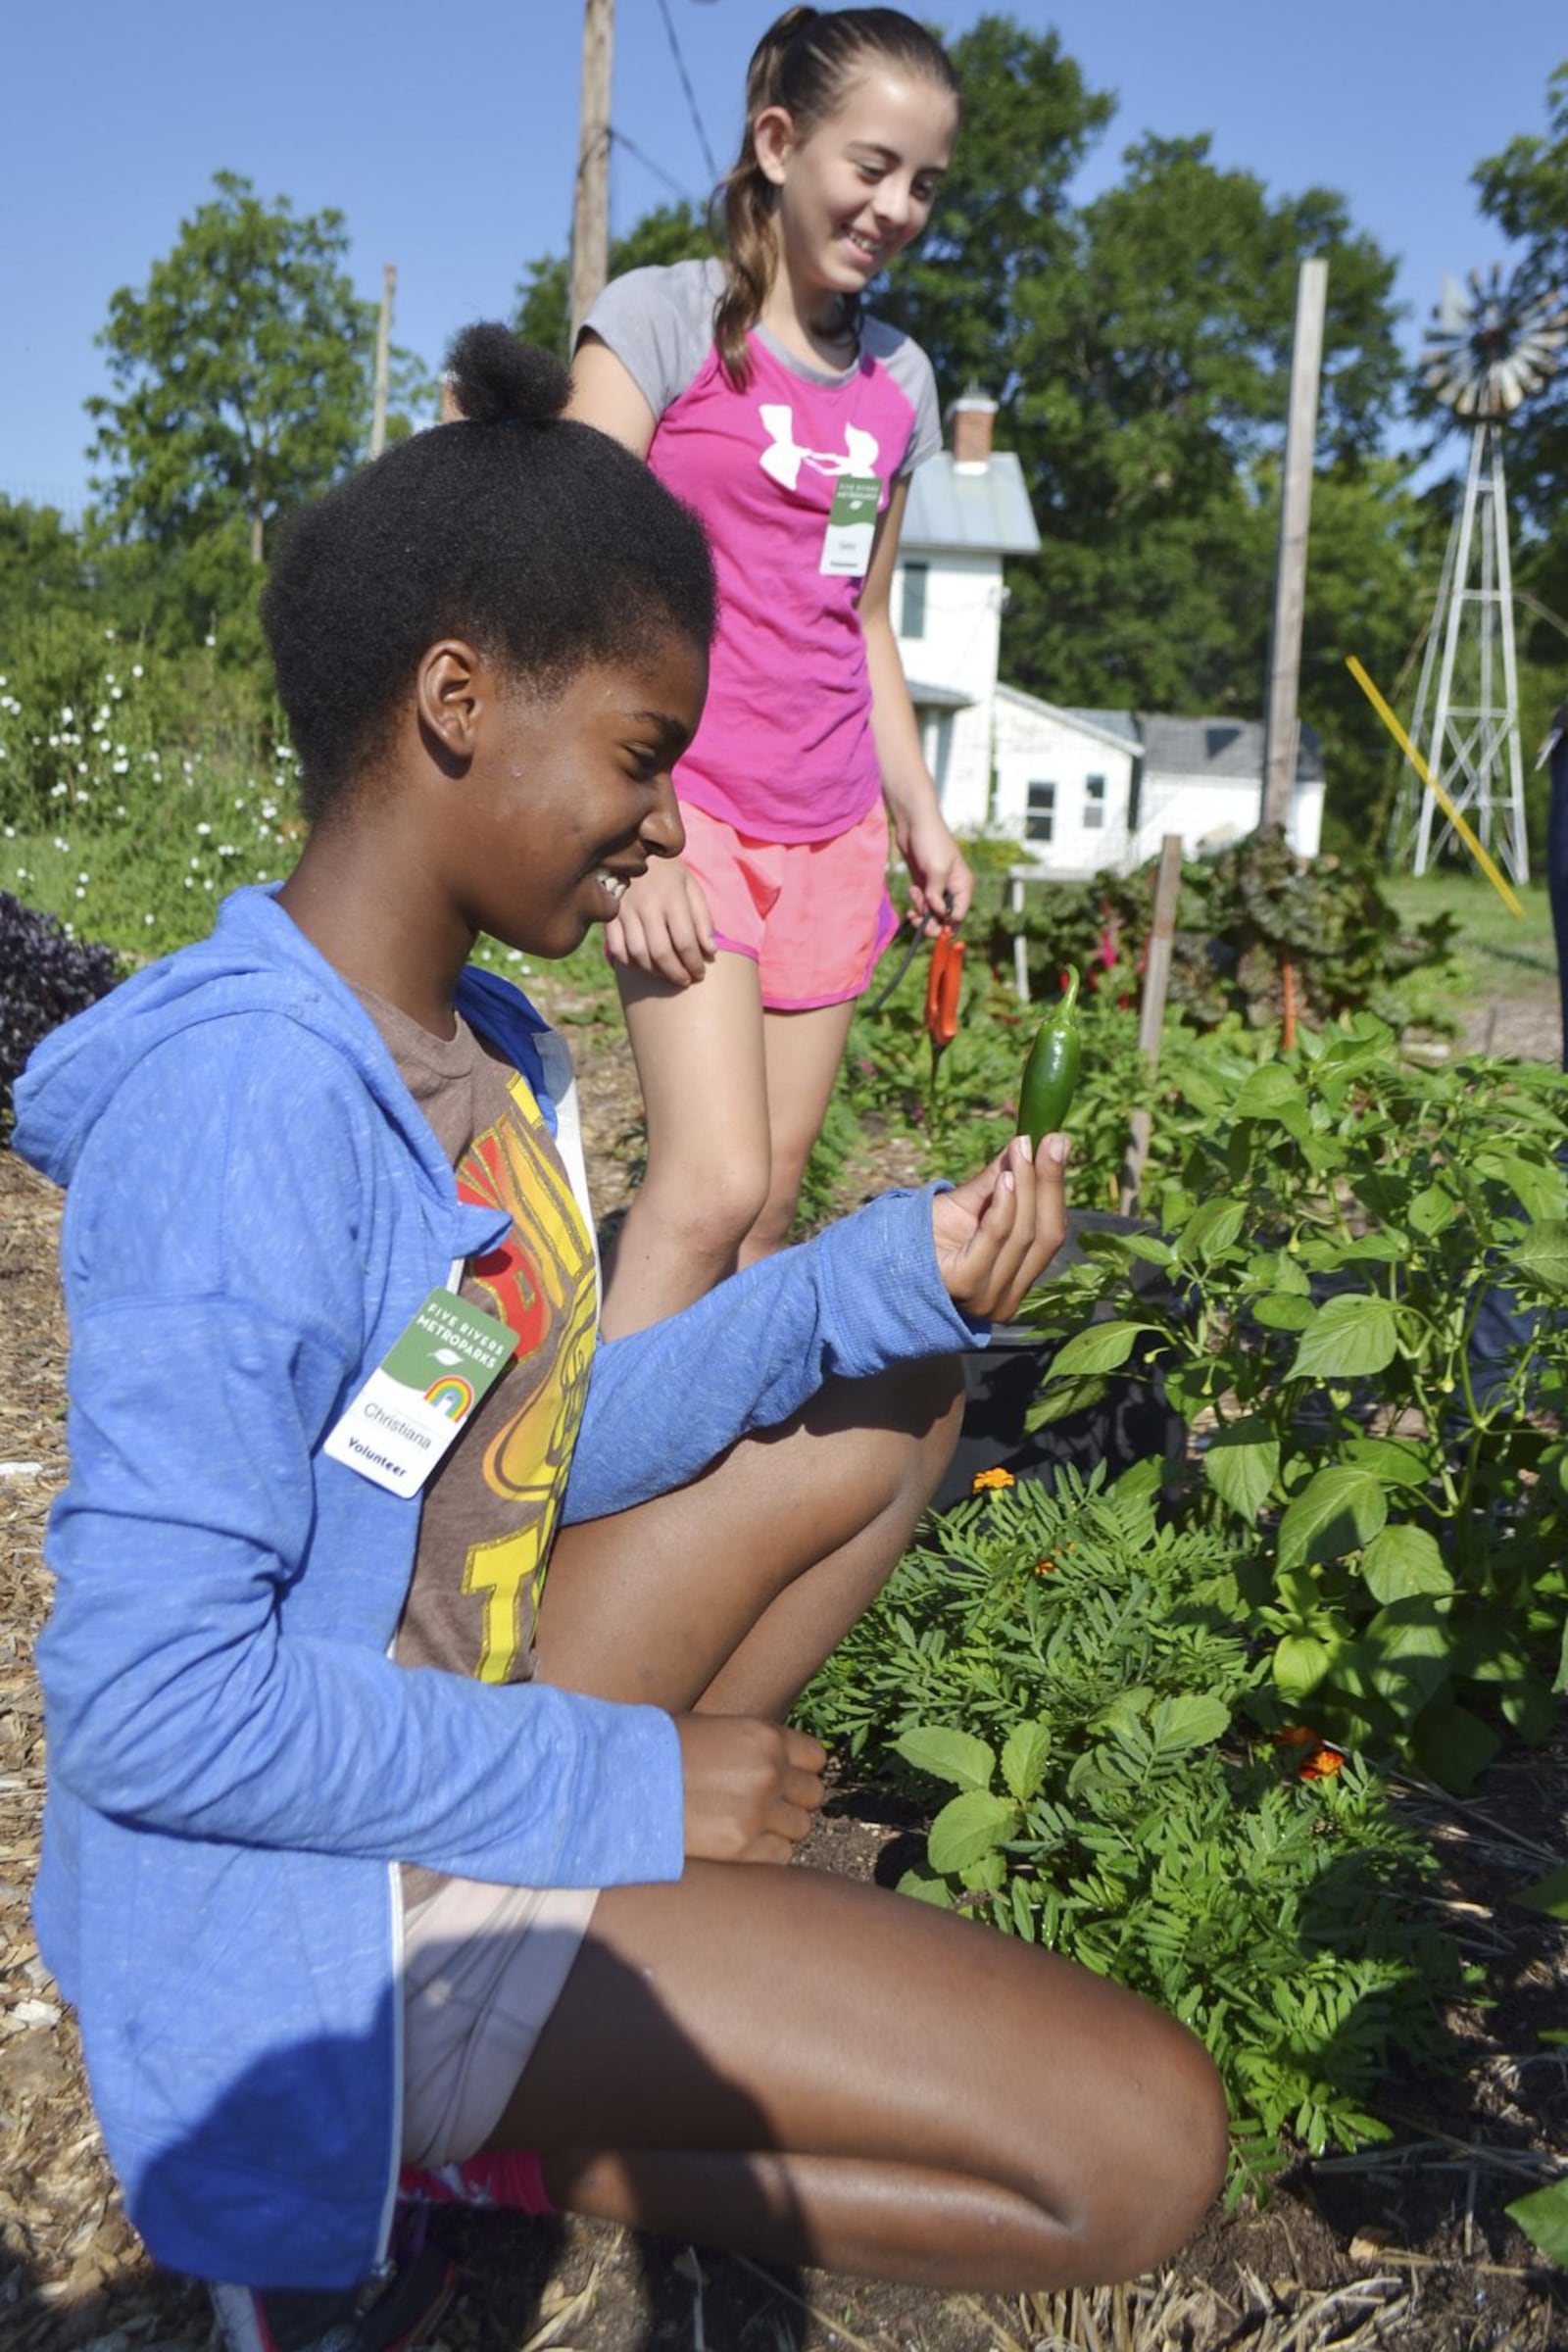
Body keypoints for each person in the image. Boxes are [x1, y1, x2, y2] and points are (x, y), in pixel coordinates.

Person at [14, 326, 1226, 2352]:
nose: (670, 831)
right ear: (455, 702)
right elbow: (154, 1710)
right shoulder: (246, 1114)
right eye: (648, 755)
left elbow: (523, 1449)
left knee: (889, 1411)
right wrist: (621, 1788)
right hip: (326, 1903)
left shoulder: (482, 1054)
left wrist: (871, 1280)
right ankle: (412, 2126)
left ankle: (502, 2101)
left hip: (452, 1736)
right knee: (1137, 2148)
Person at [569, 4, 975, 1337]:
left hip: (831, 833)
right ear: (779, 141)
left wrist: (915, 813)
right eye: (872, 166)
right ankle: (572, 1512)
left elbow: (859, 620)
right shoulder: (665, 319)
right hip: (692, 814)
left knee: (768, 1203)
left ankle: (694, 1506)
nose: (898, 206)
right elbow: (552, 566)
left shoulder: (900, 384)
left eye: (925, 182)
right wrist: (637, 826)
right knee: (704, 1184)